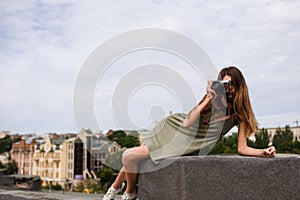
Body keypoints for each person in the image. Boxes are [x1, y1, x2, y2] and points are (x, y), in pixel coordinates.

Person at [103, 66, 276, 200]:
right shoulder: (212, 101)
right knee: (133, 157)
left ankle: (123, 191)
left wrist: (263, 152)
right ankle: (125, 192)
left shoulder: (239, 116)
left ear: (238, 87)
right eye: (224, 83)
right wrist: (208, 97)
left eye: (230, 84)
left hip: (187, 143)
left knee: (129, 156)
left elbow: (242, 148)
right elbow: (187, 122)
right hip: (173, 127)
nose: (227, 88)